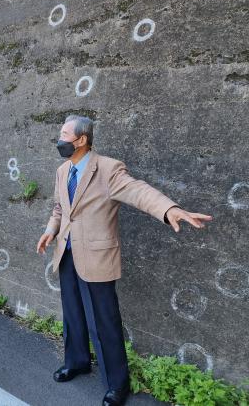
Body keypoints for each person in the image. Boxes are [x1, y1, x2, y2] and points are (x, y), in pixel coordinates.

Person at [36, 115, 212, 406]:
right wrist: (49, 232)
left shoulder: (107, 169)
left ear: (81, 140)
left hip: (97, 257)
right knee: (73, 314)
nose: (60, 139)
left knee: (104, 323)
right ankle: (77, 361)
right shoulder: (62, 170)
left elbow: (138, 191)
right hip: (66, 253)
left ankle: (118, 384)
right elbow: (59, 208)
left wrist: (169, 210)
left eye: (65, 134)